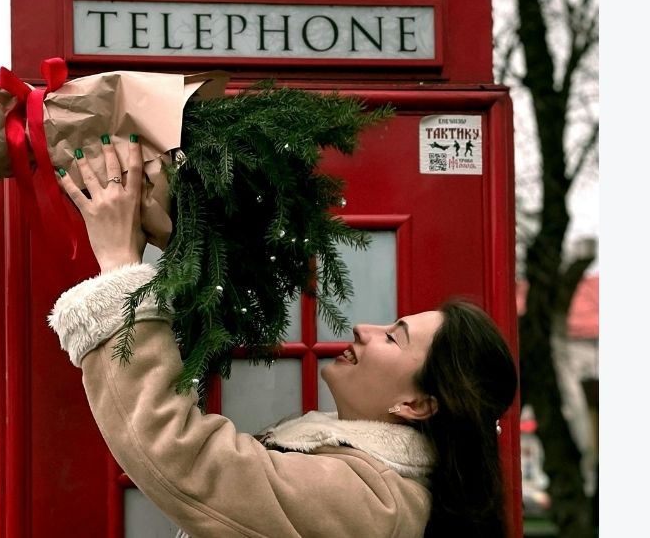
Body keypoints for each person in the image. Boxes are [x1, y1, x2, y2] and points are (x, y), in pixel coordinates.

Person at [49, 141, 520, 538]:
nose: (363, 328)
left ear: (415, 405)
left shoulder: (373, 501)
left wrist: (117, 264)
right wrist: (178, 242)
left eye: (394, 339)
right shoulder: (360, 469)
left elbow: (191, 463)